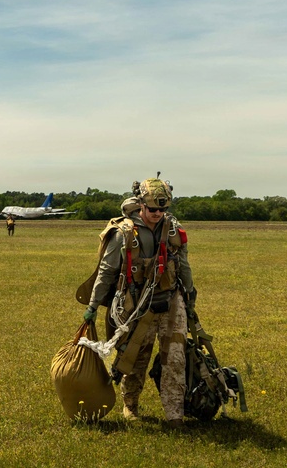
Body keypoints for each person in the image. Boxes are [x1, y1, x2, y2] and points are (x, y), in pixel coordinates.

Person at [81, 175, 196, 429]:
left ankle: (174, 415)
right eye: (152, 208)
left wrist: (190, 294)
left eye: (163, 209)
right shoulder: (123, 233)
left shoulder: (173, 229)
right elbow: (106, 271)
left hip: (171, 300)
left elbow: (183, 264)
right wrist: (92, 307)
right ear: (140, 204)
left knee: (175, 358)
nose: (157, 213)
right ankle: (130, 406)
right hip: (137, 306)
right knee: (135, 359)